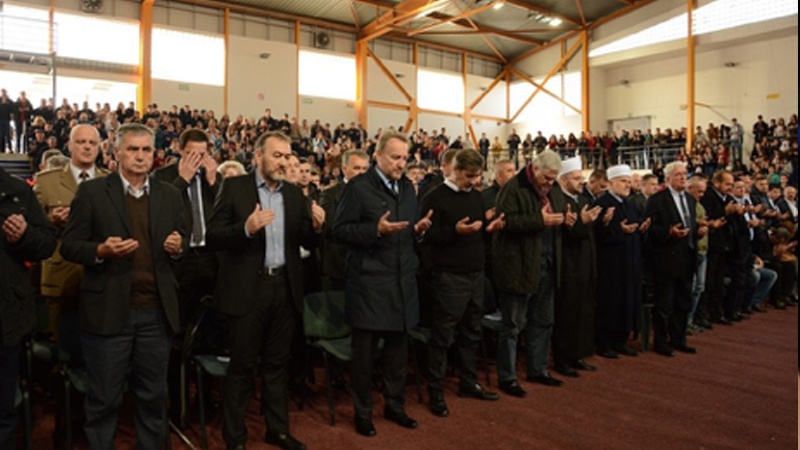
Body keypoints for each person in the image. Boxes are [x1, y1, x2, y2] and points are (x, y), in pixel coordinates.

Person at [61, 123, 187, 449]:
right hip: (107, 312)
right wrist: (101, 251)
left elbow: (181, 246)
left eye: (147, 150)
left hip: (155, 314)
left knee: (153, 398)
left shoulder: (170, 195)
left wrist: (178, 247)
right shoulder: (92, 192)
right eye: (133, 149)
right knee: (103, 399)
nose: (140, 156)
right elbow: (70, 246)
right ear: (116, 153)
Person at [206, 131, 322, 450]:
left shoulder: (296, 195)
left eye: (287, 156)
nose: (283, 161)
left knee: (276, 365)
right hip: (247, 290)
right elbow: (213, 236)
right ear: (258, 156)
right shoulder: (234, 187)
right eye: (277, 155)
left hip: (284, 288)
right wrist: (246, 228)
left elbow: (305, 242)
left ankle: (277, 429)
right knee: (242, 367)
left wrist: (316, 227)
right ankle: (235, 437)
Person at [332, 131, 432, 438]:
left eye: (405, 157)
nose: (401, 163)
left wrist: (417, 231)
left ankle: (395, 406)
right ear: (378, 155)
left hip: (402, 282)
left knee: (397, 354)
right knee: (364, 358)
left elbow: (405, 230)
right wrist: (374, 230)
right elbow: (338, 230)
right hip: (369, 285)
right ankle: (363, 413)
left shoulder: (407, 188)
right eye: (395, 157)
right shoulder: (359, 187)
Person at [419, 149, 504, 417]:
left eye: (478, 176)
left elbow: (477, 237)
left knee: (471, 333)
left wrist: (490, 231)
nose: (475, 181)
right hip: (448, 276)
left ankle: (469, 383)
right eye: (470, 176)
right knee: (442, 337)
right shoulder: (434, 197)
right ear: (454, 170)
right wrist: (454, 232)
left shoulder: (477, 197)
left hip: (475, 273)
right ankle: (435, 391)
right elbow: (425, 237)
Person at [153, 128, 221, 424]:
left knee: (210, 335)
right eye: (192, 153)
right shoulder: (163, 178)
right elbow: (158, 213)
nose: (198, 159)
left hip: (210, 262)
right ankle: (177, 406)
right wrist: (182, 179)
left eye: (203, 154)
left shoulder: (214, 180)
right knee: (176, 338)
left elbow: (227, 216)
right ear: (179, 150)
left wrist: (213, 182)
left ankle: (206, 399)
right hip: (178, 264)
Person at [492, 149, 566, 397]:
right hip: (518, 266)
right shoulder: (513, 188)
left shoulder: (553, 189)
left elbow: (556, 216)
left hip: (547, 263)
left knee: (543, 321)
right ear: (534, 168)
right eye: (547, 177)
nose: (550, 183)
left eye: (554, 178)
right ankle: (507, 377)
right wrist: (539, 221)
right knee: (512, 325)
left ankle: (538, 368)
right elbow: (506, 222)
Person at [0, 166, 57, 449]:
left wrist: (23, 236)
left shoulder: (17, 190)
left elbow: (46, 243)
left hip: (5, 318)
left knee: (3, 411)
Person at [643, 161, 705, 356]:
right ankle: (661, 342)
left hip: (687, 256)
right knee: (664, 304)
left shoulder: (689, 198)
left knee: (683, 301)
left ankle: (678, 339)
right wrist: (668, 232)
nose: (682, 177)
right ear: (668, 178)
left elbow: (690, 225)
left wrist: (698, 232)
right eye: (678, 174)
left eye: (684, 174)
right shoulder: (657, 199)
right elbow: (649, 229)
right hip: (666, 258)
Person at [593, 164, 651, 358]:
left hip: (631, 261)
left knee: (627, 300)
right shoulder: (603, 203)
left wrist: (640, 229)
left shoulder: (629, 204)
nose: (628, 185)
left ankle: (620, 340)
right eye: (624, 182)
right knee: (612, 302)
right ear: (611, 183)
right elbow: (598, 236)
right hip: (612, 265)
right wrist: (617, 229)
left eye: (628, 182)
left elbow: (633, 228)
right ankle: (605, 342)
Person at [552, 157, 602, 376]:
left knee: (583, 314)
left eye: (582, 177)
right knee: (567, 315)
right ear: (563, 180)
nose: (582, 181)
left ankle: (577, 355)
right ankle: (563, 359)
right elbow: (565, 235)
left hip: (585, 266)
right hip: (568, 268)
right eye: (576, 178)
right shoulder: (558, 201)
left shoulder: (581, 199)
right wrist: (581, 222)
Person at [319, 149, 369, 291]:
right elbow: (332, 228)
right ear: (344, 169)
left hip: (369, 268)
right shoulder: (329, 194)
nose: (361, 173)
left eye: (365, 169)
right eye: (357, 168)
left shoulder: (377, 195)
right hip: (340, 267)